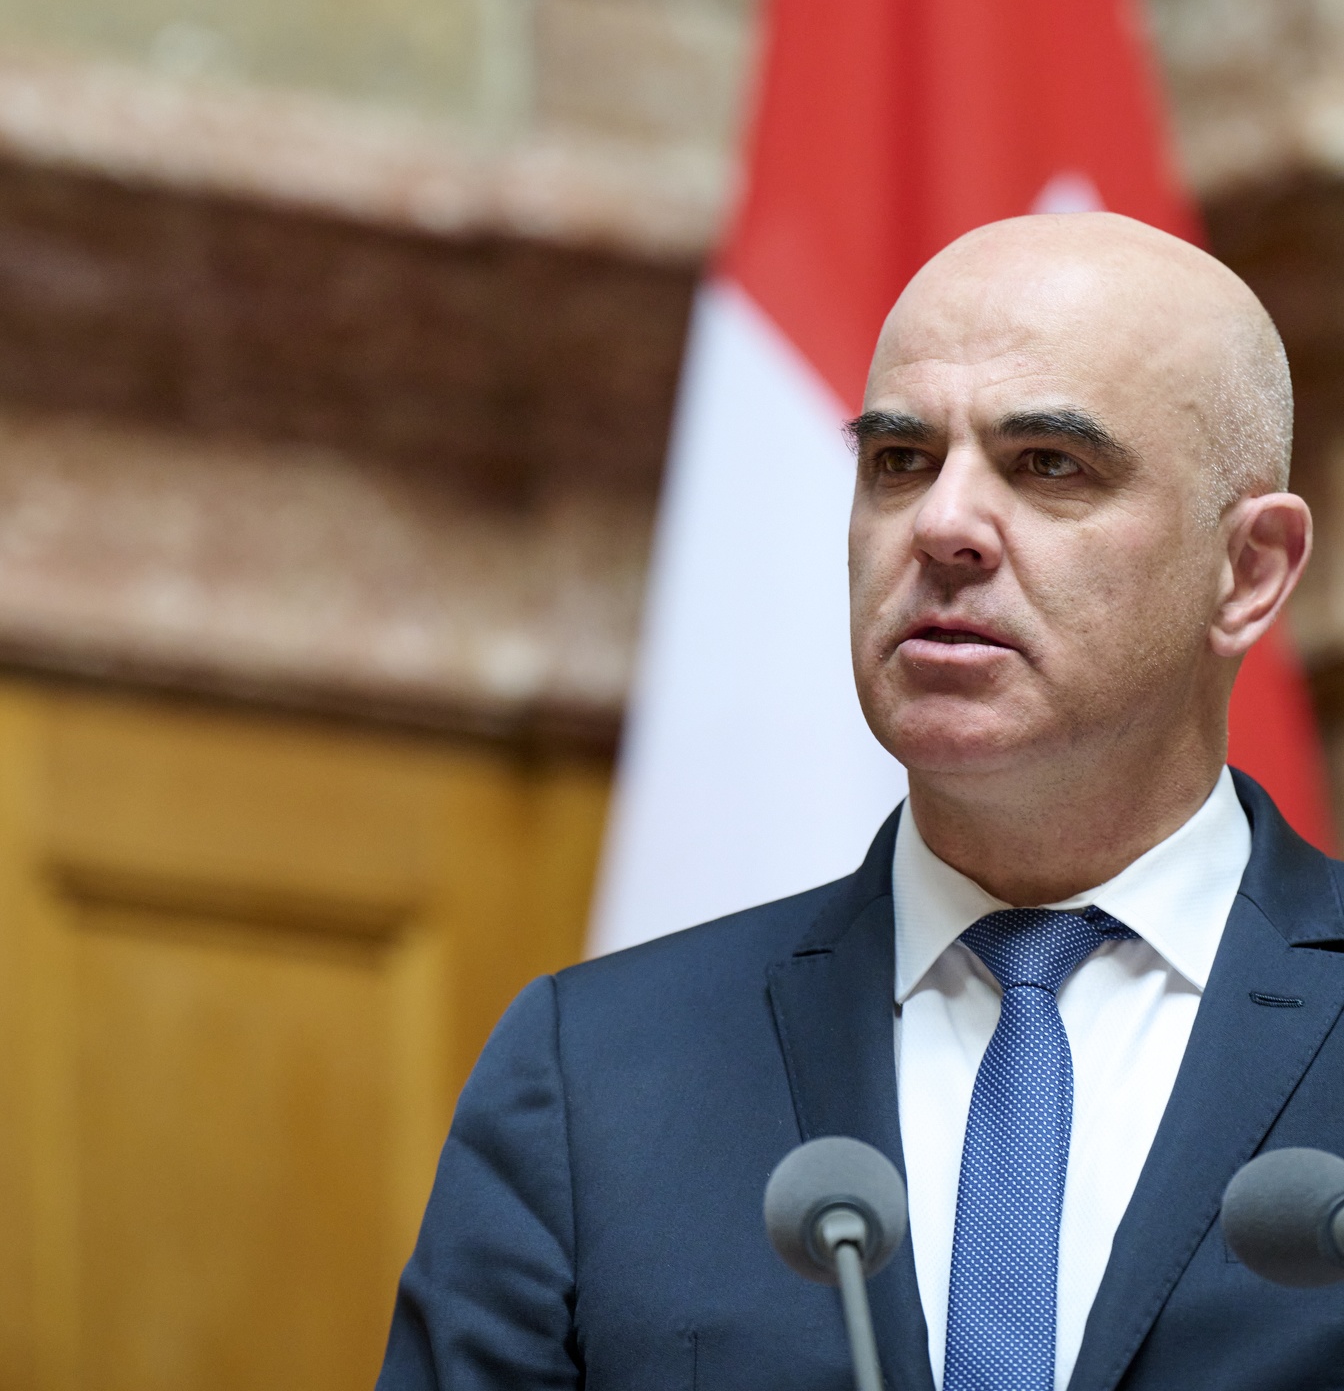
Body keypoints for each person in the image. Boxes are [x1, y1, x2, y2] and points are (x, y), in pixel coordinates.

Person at [377, 213, 1344, 1391]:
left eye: (1048, 464)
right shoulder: (597, 1074)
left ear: (1248, 572)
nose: (942, 525)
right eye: (900, 461)